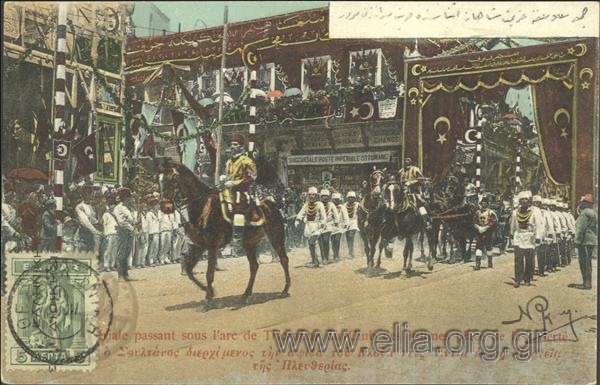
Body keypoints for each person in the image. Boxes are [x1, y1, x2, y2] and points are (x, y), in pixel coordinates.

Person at [223, 132, 257, 256]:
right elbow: (228, 176)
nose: (232, 147)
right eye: (231, 144)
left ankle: (237, 245)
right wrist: (224, 178)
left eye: (235, 144)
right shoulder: (228, 162)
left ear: (241, 146)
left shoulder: (246, 161)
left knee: (238, 214)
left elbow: (251, 178)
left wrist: (234, 183)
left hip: (241, 192)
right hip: (227, 192)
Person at [510, 190, 543, 287]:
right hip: (519, 237)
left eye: (526, 199)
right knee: (518, 259)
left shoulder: (535, 211)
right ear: (519, 201)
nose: (524, 201)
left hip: (530, 237)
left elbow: (539, 224)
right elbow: (512, 225)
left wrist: (538, 236)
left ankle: (527, 279)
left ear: (529, 201)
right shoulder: (515, 212)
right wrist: (511, 235)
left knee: (529, 260)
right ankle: (518, 279)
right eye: (522, 200)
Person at [570, 194, 596, 290]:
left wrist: (576, 241)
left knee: (584, 262)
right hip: (592, 240)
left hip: (584, 241)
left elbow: (580, 228)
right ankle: (588, 282)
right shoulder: (594, 213)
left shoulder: (584, 213)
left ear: (585, 203)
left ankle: (586, 283)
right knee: (588, 262)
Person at [295, 187, 327, 267]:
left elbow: (324, 217)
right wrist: (298, 220)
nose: (311, 196)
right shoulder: (306, 205)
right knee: (311, 244)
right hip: (308, 227)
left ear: (316, 196)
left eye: (313, 195)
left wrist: (321, 224)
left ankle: (317, 262)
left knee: (312, 242)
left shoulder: (320, 204)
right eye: (310, 195)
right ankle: (314, 260)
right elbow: (301, 213)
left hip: (317, 226)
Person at [114, 188, 135, 281]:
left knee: (127, 252)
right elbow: (121, 222)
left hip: (129, 231)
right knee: (121, 253)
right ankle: (120, 275)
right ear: (125, 198)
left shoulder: (127, 208)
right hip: (122, 231)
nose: (130, 199)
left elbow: (132, 220)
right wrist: (130, 227)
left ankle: (125, 273)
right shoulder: (118, 208)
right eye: (128, 197)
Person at [473, 195, 498, 269]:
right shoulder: (477, 212)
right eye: (482, 203)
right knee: (478, 247)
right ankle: (478, 264)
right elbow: (474, 221)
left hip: (488, 232)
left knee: (488, 247)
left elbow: (493, 222)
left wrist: (486, 228)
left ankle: (490, 262)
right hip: (479, 232)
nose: (483, 204)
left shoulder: (491, 212)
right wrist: (478, 227)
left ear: (487, 204)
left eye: (485, 203)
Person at [75, 185, 101, 252]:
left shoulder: (90, 206)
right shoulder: (80, 207)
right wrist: (95, 231)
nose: (92, 195)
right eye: (90, 193)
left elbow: (93, 219)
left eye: (92, 193)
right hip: (83, 236)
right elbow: (85, 222)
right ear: (85, 194)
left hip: (91, 236)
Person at [319, 188, 339, 264]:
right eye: (323, 196)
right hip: (319, 225)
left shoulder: (331, 204)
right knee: (321, 242)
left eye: (326, 196)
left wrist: (336, 222)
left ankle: (326, 257)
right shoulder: (318, 204)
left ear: (328, 197)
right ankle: (323, 257)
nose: (324, 197)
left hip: (328, 224)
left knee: (326, 240)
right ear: (320, 197)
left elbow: (336, 214)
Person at [101, 194, 118, 272]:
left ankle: (112, 265)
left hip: (116, 233)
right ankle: (106, 265)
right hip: (109, 233)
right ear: (108, 206)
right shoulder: (106, 214)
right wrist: (105, 233)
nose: (113, 206)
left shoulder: (116, 214)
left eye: (114, 205)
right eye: (111, 205)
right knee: (108, 250)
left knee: (114, 250)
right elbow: (104, 224)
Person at [331, 192, 348, 262]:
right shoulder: (330, 206)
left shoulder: (342, 207)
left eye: (337, 200)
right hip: (331, 226)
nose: (336, 201)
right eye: (334, 200)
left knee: (337, 240)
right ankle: (334, 254)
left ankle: (337, 255)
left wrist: (346, 223)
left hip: (339, 226)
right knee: (332, 241)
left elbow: (345, 216)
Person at [145, 195, 160, 267]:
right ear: (153, 206)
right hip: (152, 232)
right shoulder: (149, 214)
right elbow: (149, 224)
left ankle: (154, 259)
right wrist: (150, 233)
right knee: (151, 247)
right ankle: (150, 261)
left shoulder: (157, 213)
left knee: (156, 247)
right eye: (156, 205)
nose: (158, 207)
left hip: (157, 231)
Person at [158, 199, 174, 264]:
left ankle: (165, 257)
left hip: (169, 230)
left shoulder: (169, 214)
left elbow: (172, 222)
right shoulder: (160, 213)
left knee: (167, 245)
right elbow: (159, 220)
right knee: (162, 244)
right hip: (163, 231)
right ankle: (161, 258)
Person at [345, 191, 359, 258]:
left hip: (354, 222)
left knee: (351, 236)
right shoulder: (344, 205)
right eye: (349, 197)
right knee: (348, 237)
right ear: (347, 198)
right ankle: (350, 251)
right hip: (347, 222)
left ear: (355, 198)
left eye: (352, 197)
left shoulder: (358, 205)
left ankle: (351, 252)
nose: (351, 199)